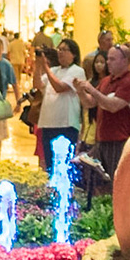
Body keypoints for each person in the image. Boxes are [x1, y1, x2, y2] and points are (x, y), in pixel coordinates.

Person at [78, 43, 130, 178]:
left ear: (125, 61)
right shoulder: (106, 81)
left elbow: (113, 106)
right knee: (97, 181)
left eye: (112, 59)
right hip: (101, 140)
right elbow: (90, 103)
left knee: (114, 181)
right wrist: (80, 91)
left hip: (118, 141)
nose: (108, 62)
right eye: (108, 58)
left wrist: (91, 89)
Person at [34, 37, 86, 170]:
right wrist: (38, 65)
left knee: (64, 165)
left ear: (73, 54)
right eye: (59, 49)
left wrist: (46, 67)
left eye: (64, 50)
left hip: (66, 124)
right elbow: (38, 84)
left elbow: (60, 87)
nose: (60, 53)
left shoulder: (77, 71)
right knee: (50, 164)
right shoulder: (55, 70)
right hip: (48, 123)